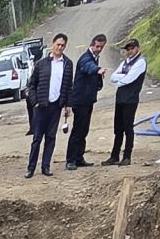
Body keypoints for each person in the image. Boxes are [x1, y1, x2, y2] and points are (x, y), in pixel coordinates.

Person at [24, 35, 71, 177]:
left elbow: (69, 86)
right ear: (53, 44)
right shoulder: (41, 64)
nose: (60, 47)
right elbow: (31, 85)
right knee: (37, 138)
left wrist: (67, 105)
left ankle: (46, 166)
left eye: (63, 45)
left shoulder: (67, 64)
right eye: (58, 44)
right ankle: (31, 168)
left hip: (56, 106)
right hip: (41, 106)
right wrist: (35, 102)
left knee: (51, 137)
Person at [65, 33, 107, 169]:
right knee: (78, 130)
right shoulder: (86, 58)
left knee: (84, 130)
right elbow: (87, 67)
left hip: (88, 100)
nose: (99, 49)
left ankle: (79, 157)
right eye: (97, 46)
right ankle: (70, 160)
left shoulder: (94, 58)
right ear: (92, 45)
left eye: (101, 47)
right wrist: (97, 70)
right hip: (80, 100)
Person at [106, 38, 148, 165]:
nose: (130, 51)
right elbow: (112, 77)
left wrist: (120, 78)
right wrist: (121, 78)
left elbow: (129, 79)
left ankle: (127, 156)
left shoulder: (141, 62)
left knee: (128, 128)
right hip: (120, 98)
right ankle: (114, 155)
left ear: (137, 48)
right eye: (128, 49)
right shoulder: (125, 62)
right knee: (118, 128)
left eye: (132, 48)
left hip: (131, 99)